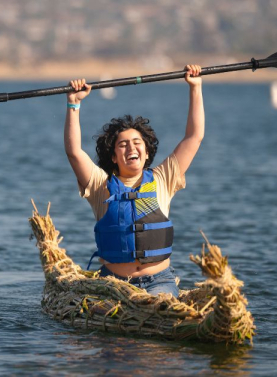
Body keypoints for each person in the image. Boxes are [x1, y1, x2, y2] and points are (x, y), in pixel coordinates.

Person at [64, 65, 204, 296]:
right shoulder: (100, 185)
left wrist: (195, 88)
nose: (131, 147)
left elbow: (194, 137)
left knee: (162, 311)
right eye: (123, 144)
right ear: (113, 156)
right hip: (113, 283)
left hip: (159, 282)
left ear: (147, 152)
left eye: (137, 142)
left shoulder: (163, 178)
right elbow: (74, 152)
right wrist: (73, 103)